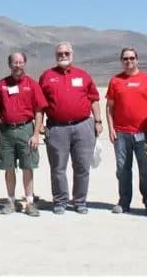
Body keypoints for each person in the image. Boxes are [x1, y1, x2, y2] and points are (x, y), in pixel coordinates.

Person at [39, 42, 102, 215]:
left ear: (72, 54)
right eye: (60, 53)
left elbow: (94, 98)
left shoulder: (83, 75)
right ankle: (60, 201)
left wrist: (98, 121)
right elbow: (40, 105)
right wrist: (39, 126)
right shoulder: (47, 76)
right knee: (58, 167)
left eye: (66, 53)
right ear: (55, 55)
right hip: (57, 128)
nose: (63, 56)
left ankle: (80, 201)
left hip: (83, 126)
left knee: (82, 166)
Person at [106, 47, 147, 216]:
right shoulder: (115, 81)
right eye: (125, 58)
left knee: (145, 170)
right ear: (121, 61)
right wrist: (111, 128)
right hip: (121, 134)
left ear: (137, 59)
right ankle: (124, 201)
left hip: (145, 134)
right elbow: (109, 107)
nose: (128, 61)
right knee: (122, 169)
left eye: (131, 58)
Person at [0, 52, 47, 216]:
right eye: (14, 62)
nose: (17, 65)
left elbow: (39, 110)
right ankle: (11, 201)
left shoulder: (32, 84)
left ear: (25, 63)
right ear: (9, 64)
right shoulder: (1, 85)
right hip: (6, 131)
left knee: (28, 166)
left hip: (26, 130)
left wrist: (36, 134)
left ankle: (30, 202)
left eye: (20, 62)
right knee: (8, 167)